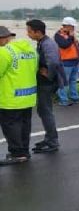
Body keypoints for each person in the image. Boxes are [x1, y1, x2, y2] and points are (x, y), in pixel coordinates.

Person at [0, 26, 38, 165]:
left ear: (3, 39)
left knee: (11, 126)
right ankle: (24, 151)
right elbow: (35, 68)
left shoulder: (4, 52)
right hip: (28, 96)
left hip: (10, 98)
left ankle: (17, 153)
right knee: (24, 125)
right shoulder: (29, 49)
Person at [26, 19, 63, 154]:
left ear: (37, 32)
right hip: (44, 83)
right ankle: (49, 138)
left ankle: (52, 141)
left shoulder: (48, 43)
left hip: (46, 84)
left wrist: (48, 74)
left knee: (45, 111)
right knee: (43, 111)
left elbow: (53, 61)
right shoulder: (42, 42)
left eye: (29, 31)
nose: (28, 34)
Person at [54, 16, 79, 106]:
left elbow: (75, 47)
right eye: (72, 26)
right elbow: (64, 45)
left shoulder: (71, 35)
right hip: (65, 62)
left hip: (75, 62)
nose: (74, 28)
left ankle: (75, 98)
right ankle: (64, 100)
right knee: (63, 82)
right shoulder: (58, 35)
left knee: (73, 81)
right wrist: (71, 37)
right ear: (67, 26)